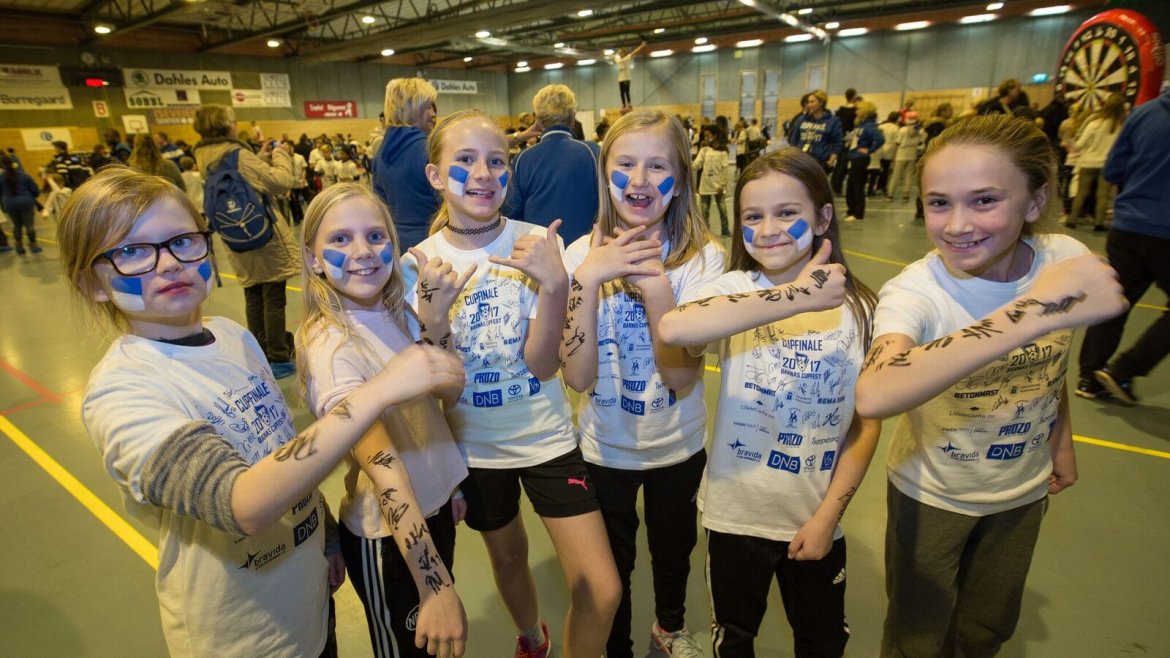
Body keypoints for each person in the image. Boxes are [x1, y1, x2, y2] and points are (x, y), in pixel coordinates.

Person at [56, 166, 465, 657]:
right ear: (92, 284)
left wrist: (326, 536)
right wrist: (381, 388)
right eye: (131, 252)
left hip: (309, 603)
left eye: (182, 241)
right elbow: (241, 504)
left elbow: (280, 448)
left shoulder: (232, 336)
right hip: (243, 634)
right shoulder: (122, 393)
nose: (168, 264)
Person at [854, 115, 1127, 657]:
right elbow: (875, 393)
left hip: (1022, 490)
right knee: (916, 636)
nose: (957, 225)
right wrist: (1029, 313)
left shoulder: (1063, 260)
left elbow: (1047, 367)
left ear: (1034, 201)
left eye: (984, 201)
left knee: (987, 627)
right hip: (931, 493)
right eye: (939, 203)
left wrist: (1061, 441)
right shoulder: (918, 291)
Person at [402, 108, 620, 658]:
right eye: (466, 160)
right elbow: (445, 391)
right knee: (508, 557)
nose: (483, 174)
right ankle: (532, 638)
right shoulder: (418, 265)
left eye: (497, 161)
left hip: (548, 440)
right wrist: (434, 321)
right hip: (475, 451)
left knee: (603, 590)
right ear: (435, 175)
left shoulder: (537, 243)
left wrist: (554, 285)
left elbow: (544, 367)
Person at [657, 146, 881, 657]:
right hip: (734, 517)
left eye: (787, 213)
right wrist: (798, 296)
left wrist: (827, 518)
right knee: (733, 640)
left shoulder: (861, 309)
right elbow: (674, 328)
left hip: (815, 516)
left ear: (823, 218)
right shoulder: (735, 289)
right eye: (752, 216)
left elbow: (864, 427)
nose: (768, 230)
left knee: (822, 641)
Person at [559, 108, 722, 658]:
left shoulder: (703, 261)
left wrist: (655, 286)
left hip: (677, 444)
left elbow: (679, 376)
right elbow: (578, 377)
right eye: (625, 164)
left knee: (674, 551)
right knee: (615, 564)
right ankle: (619, 648)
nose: (639, 180)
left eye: (658, 166)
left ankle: (669, 629)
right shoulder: (579, 256)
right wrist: (587, 279)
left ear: (680, 179)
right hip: (604, 448)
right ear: (605, 172)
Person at [297, 184, 470, 658]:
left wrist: (435, 318)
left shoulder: (396, 312)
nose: (362, 252)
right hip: (389, 536)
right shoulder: (332, 346)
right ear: (313, 259)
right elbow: (385, 474)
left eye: (375, 236)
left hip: (433, 512)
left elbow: (449, 392)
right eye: (340, 239)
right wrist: (434, 586)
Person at [1076, 87, 1170, 405]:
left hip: (1128, 226)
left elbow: (1114, 169)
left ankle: (1089, 378)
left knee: (1114, 300)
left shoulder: (1144, 113)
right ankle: (1124, 370)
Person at [193, 103, 300, 379]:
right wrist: (280, 154)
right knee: (273, 295)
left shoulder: (204, 157)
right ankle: (279, 356)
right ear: (224, 125)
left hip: (236, 235)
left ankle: (260, 352)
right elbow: (280, 181)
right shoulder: (237, 154)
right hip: (262, 234)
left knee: (253, 294)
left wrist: (258, 158)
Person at [503, 84, 601, 245]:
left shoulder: (523, 159)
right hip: (586, 249)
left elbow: (512, 212)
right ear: (573, 118)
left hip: (538, 249)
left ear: (538, 121)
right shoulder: (592, 152)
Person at [371, 78, 441, 254]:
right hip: (432, 243)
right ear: (413, 109)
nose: (433, 114)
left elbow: (379, 204)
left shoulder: (380, 153)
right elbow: (450, 205)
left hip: (397, 245)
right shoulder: (428, 150)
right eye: (428, 107)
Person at [1065, 93, 1127, 231]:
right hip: (1106, 165)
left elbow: (1079, 145)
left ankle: (1072, 220)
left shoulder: (1094, 124)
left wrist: (1070, 139)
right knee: (1102, 196)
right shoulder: (1122, 127)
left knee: (1081, 193)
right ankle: (1098, 223)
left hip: (1088, 163)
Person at [843, 100, 884, 222]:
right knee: (851, 186)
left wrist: (869, 150)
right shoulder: (860, 125)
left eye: (859, 109)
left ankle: (858, 214)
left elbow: (880, 139)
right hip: (853, 157)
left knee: (858, 186)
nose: (856, 111)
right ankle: (851, 210)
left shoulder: (870, 126)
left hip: (860, 159)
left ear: (865, 111)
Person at [787, 91, 842, 174]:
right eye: (808, 102)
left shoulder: (833, 121)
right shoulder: (801, 119)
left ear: (821, 103)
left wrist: (831, 161)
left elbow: (837, 143)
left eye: (812, 102)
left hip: (820, 162)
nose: (809, 105)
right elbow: (794, 140)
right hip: (801, 160)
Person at [694, 123, 732, 236]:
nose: (706, 138)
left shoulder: (723, 151)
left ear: (714, 136)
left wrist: (722, 184)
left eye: (708, 135)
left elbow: (725, 168)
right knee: (705, 210)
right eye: (705, 136)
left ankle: (725, 230)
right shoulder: (704, 150)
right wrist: (685, 163)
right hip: (705, 184)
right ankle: (705, 231)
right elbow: (697, 165)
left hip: (718, 186)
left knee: (723, 209)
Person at [0, 154, 42, 254]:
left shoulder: (1, 177)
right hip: (26, 202)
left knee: (16, 225)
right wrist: (31, 196)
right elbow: (35, 190)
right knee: (29, 225)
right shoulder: (24, 175)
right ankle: (33, 245)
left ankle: (19, 246)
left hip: (9, 203)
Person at [885, 111, 923, 202]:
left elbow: (898, 143)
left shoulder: (903, 130)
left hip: (901, 154)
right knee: (909, 176)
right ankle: (906, 195)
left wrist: (894, 156)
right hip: (912, 155)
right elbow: (920, 142)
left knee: (896, 175)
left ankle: (890, 194)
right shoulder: (920, 130)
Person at [831, 88, 860, 194]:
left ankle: (834, 183)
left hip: (838, 138)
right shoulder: (855, 111)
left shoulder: (839, 111)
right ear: (854, 96)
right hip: (849, 140)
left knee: (839, 163)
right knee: (843, 163)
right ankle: (837, 186)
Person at [612, 42, 647, 109]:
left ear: (624, 53)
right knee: (622, 92)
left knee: (627, 91)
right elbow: (614, 56)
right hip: (620, 79)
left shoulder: (627, 58)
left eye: (621, 53)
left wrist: (641, 46)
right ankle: (623, 104)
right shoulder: (618, 59)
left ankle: (629, 103)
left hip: (627, 78)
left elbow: (634, 52)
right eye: (620, 53)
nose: (620, 54)